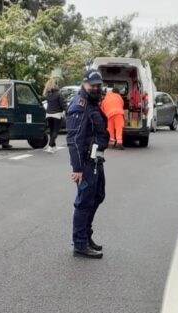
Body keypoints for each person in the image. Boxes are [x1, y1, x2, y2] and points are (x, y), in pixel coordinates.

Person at [67, 69, 110, 259]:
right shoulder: (80, 105)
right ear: (84, 84)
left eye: (98, 85)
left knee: (98, 195)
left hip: (96, 159)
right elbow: (74, 139)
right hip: (85, 163)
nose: (96, 88)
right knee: (84, 201)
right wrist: (76, 168)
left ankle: (86, 235)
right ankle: (80, 243)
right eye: (92, 85)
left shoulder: (92, 103)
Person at [44, 78, 67, 154]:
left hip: (48, 114)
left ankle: (54, 146)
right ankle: (50, 146)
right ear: (56, 85)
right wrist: (65, 110)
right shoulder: (59, 94)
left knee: (51, 131)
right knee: (55, 132)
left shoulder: (47, 94)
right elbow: (63, 104)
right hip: (57, 115)